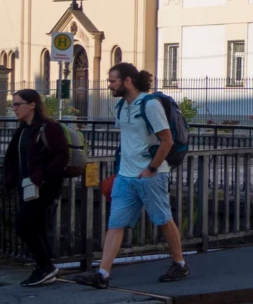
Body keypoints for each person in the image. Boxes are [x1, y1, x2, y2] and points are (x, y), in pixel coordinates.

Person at [78, 62, 186, 287]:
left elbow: (167, 140)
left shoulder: (150, 105)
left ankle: (180, 264)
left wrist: (152, 169)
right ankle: (103, 275)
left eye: (113, 81)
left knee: (163, 219)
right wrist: (120, 172)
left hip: (150, 175)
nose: (109, 85)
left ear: (128, 81)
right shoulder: (121, 107)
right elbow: (128, 141)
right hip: (125, 177)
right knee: (115, 223)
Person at [1, 88, 72, 285]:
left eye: (18, 104)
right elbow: (16, 158)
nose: (14, 108)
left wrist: (43, 177)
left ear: (32, 105)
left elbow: (61, 156)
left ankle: (46, 266)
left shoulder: (49, 128)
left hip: (43, 186)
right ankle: (44, 267)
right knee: (36, 226)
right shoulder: (23, 130)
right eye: (12, 104)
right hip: (26, 185)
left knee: (24, 225)